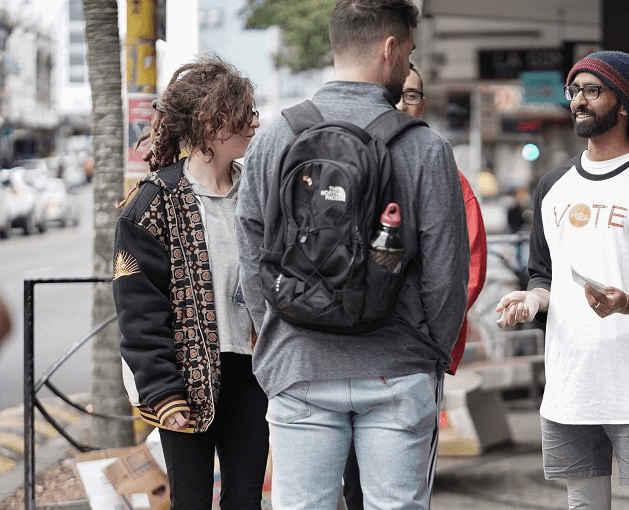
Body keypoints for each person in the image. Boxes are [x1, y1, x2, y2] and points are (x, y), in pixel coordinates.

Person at [235, 1, 469, 509]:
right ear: (390, 48)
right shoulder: (426, 149)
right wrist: (428, 349)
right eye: (408, 51)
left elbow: (251, 252)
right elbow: (447, 269)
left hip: (298, 363)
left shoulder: (275, 138)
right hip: (396, 365)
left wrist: (276, 330)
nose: (408, 64)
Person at [495, 50, 629, 510]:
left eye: (592, 90)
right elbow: (542, 274)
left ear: (624, 104)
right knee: (583, 502)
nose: (577, 102)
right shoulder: (552, 184)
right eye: (574, 91)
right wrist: (532, 300)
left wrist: (628, 303)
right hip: (571, 380)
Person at [112, 55, 269, 510]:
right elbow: (139, 312)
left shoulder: (258, 193)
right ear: (212, 123)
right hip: (184, 379)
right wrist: (163, 392)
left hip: (252, 377)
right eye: (246, 114)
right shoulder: (151, 204)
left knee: (245, 499)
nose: (255, 123)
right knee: (192, 502)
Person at [341, 64, 488, 510]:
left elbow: (468, 271)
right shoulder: (337, 164)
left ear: (421, 105)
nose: (402, 103)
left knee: (401, 494)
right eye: (395, 94)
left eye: (412, 96)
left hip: (411, 360)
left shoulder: (446, 173)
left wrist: (428, 342)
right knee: (349, 487)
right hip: (337, 354)